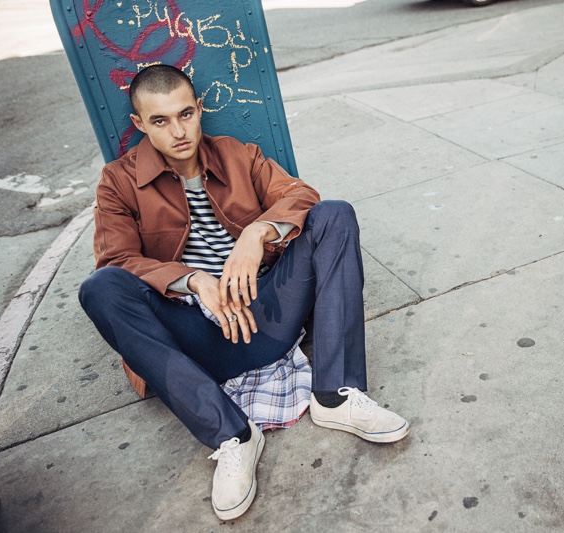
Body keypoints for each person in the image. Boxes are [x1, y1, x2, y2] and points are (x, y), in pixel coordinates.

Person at [78, 64, 409, 521]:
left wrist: (257, 234)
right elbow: (116, 260)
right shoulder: (118, 180)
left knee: (335, 214)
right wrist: (191, 279)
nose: (178, 131)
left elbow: (301, 194)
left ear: (199, 109)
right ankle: (233, 434)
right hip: (197, 338)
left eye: (185, 114)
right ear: (139, 124)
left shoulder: (236, 154)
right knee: (100, 288)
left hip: (268, 313)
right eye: (160, 121)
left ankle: (336, 395)